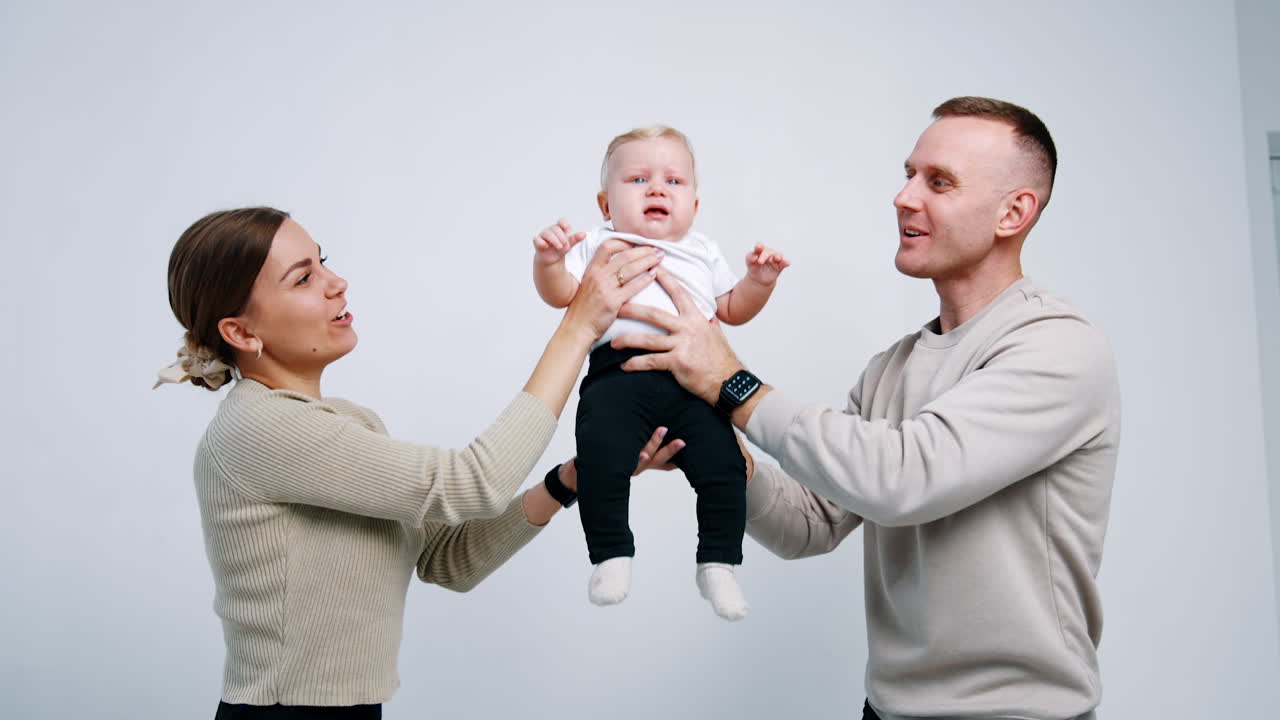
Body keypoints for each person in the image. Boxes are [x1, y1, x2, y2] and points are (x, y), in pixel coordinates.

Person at [612, 98, 1120, 719]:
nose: (905, 198)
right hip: (886, 710)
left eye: (939, 182)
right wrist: (707, 444)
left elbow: (902, 479)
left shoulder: (1057, 344)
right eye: (909, 174)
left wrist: (731, 383)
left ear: (1014, 212)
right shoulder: (891, 369)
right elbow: (811, 524)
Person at [155, 207, 670, 718]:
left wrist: (572, 478)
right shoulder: (259, 427)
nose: (337, 283)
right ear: (241, 334)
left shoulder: (347, 422)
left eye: (323, 262)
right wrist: (578, 329)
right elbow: (475, 483)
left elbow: (450, 558)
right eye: (304, 278)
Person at [531, 125, 790, 620]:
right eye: (637, 180)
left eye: (674, 181)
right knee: (600, 457)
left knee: (726, 466)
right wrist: (549, 261)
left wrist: (760, 282)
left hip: (694, 381)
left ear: (694, 205)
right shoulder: (600, 242)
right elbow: (562, 292)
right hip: (616, 376)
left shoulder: (703, 251)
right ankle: (611, 553)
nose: (656, 189)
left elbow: (731, 308)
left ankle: (718, 562)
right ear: (605, 205)